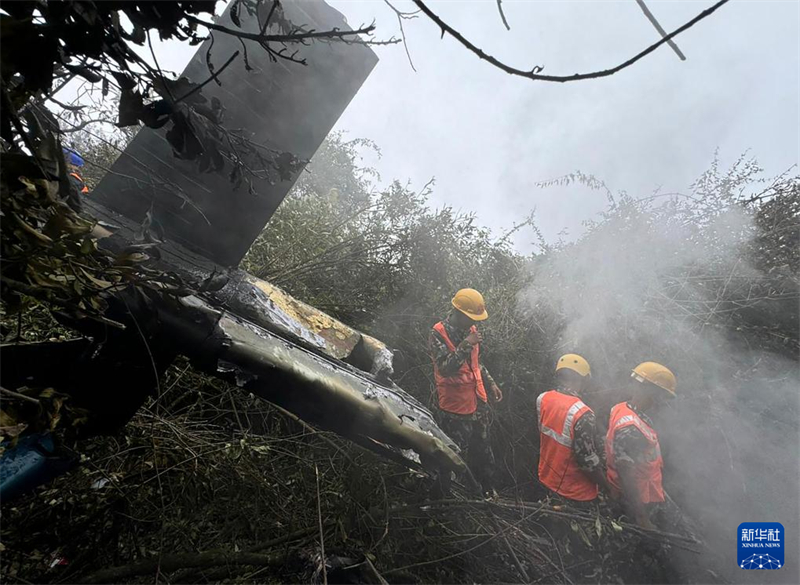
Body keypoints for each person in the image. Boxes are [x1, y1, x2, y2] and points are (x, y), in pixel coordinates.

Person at [429, 288, 503, 493]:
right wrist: (464, 345)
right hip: (454, 408)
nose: (475, 323)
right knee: (453, 453)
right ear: (459, 313)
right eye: (471, 317)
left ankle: (487, 490)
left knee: (484, 450)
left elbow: (476, 363)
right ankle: (448, 495)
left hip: (477, 402)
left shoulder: (470, 331)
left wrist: (491, 383)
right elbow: (445, 368)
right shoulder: (438, 333)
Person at [605, 361, 676, 529]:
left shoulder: (622, 408)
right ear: (650, 391)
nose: (663, 402)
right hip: (637, 500)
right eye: (662, 395)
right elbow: (626, 473)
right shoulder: (631, 427)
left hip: (643, 492)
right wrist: (641, 517)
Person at [536, 354, 609, 504]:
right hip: (576, 492)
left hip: (547, 478)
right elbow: (587, 462)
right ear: (582, 379)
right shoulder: (583, 413)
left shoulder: (543, 398)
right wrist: (607, 486)